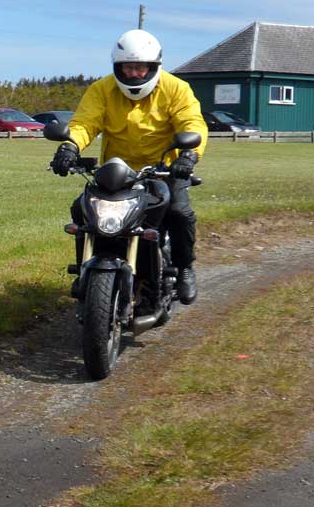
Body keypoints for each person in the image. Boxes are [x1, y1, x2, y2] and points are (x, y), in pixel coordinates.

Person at [49, 29, 208, 303]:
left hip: (164, 170)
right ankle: (85, 270)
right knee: (82, 210)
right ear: (117, 67)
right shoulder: (102, 89)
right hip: (117, 172)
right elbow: (85, 123)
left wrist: (188, 156)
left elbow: (192, 123)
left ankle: (184, 268)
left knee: (180, 213)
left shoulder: (176, 89)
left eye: (140, 67)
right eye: (128, 67)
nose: (134, 74)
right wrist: (69, 146)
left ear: (154, 66)